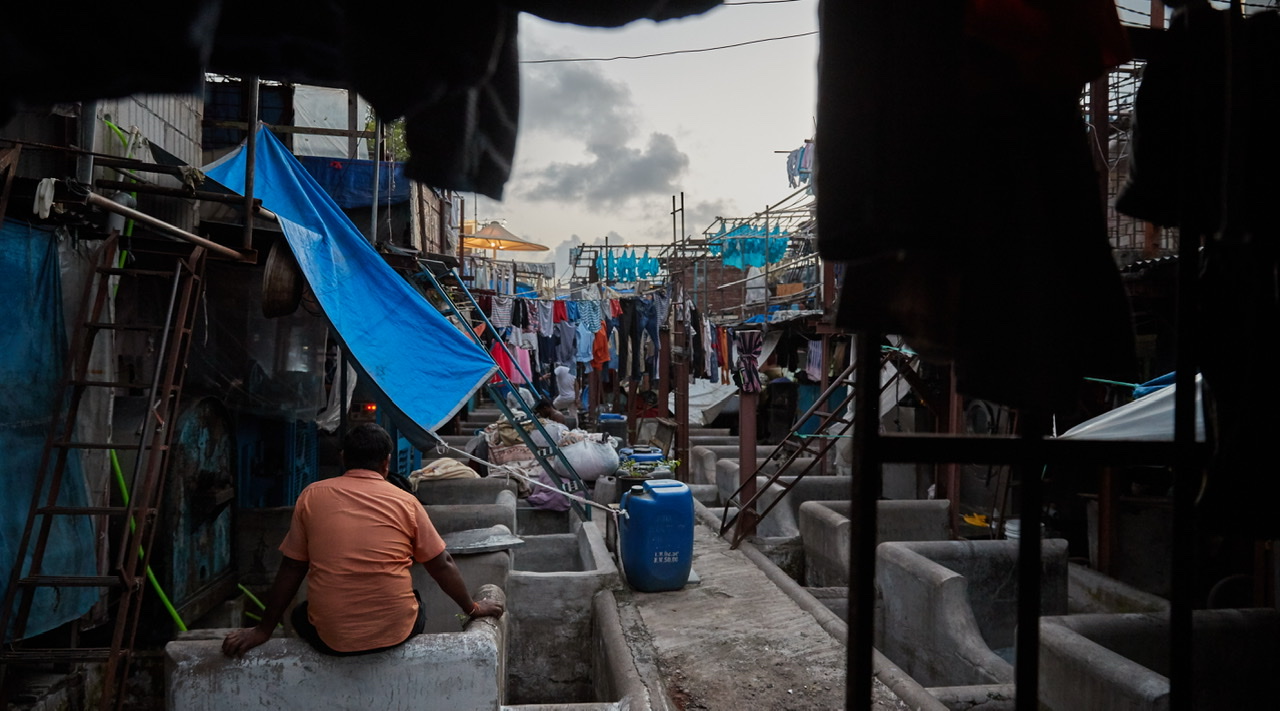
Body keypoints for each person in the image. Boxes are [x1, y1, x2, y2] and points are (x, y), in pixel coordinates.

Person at [222, 423, 503, 657]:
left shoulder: (312, 496)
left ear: (343, 457)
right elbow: (442, 563)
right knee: (414, 600)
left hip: (331, 640)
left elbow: (292, 568)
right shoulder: (406, 501)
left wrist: (263, 630)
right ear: (387, 461)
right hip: (395, 633)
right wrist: (473, 608)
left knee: (299, 616)